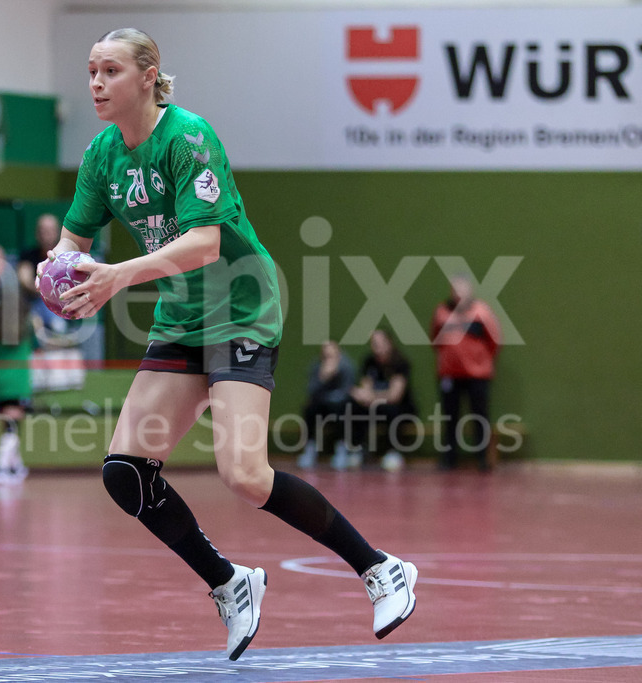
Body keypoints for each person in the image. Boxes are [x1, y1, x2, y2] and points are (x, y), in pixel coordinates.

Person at [42, 28, 417, 660]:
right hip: (183, 315)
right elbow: (71, 241)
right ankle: (230, 582)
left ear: (147, 74)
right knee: (125, 473)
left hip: (241, 306)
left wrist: (118, 277)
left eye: (109, 71)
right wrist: (51, 266)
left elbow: (206, 243)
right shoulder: (102, 155)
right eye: (90, 72)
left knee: (243, 474)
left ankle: (381, 569)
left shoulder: (189, 137)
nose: (96, 84)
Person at [430, 273, 502, 471]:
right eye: (455, 289)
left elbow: (495, 341)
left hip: (478, 375)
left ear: (470, 291)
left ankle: (483, 459)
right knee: (450, 417)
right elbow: (435, 339)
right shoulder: (442, 312)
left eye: (463, 289)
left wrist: (480, 361)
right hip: (449, 375)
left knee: (480, 416)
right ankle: (449, 458)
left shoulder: (482, 312)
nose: (459, 294)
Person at [0, 243, 33, 484]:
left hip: (0, 376)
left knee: (8, 421)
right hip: (18, 377)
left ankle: (16, 465)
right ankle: (2, 466)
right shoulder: (25, 325)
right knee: (13, 423)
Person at [347, 329, 416, 472]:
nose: (376, 347)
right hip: (376, 405)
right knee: (354, 406)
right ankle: (358, 449)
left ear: (389, 343)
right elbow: (365, 389)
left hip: (400, 408)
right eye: (374, 343)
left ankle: (393, 452)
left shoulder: (400, 363)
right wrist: (363, 395)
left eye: (380, 343)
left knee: (391, 410)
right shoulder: (369, 362)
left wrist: (371, 396)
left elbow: (394, 396)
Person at [296, 340, 356, 470]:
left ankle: (342, 449)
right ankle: (310, 448)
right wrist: (323, 377)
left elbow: (348, 391)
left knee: (341, 409)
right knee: (310, 409)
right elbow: (311, 391)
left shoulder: (346, 366)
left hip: (339, 406)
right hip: (321, 405)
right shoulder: (317, 367)